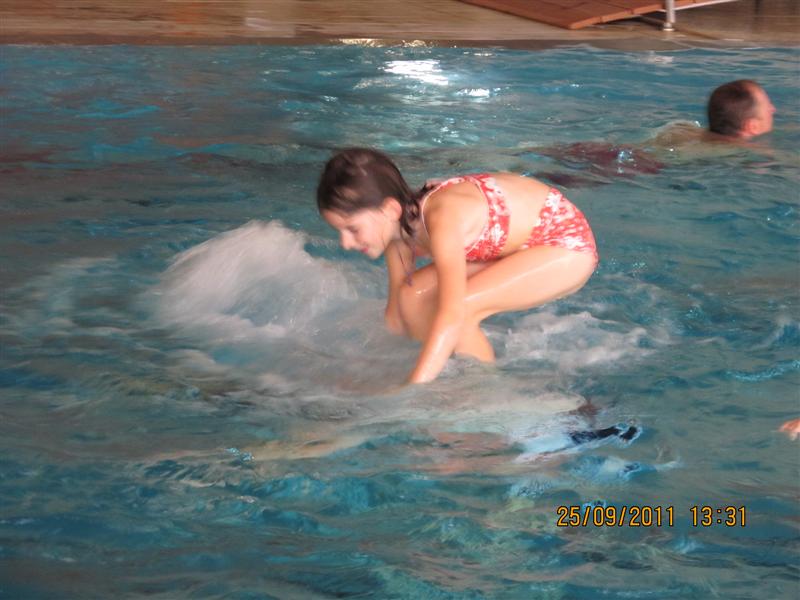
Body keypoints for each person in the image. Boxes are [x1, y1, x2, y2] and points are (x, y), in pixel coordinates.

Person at [317, 147, 598, 384]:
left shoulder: (442, 218)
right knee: (411, 296)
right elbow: (396, 317)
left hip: (565, 246)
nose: (345, 243)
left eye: (352, 229)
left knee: (462, 308)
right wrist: (370, 368)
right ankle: (456, 365)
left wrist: (411, 389)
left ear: (390, 209)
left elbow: (452, 313)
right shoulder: (396, 232)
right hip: (516, 243)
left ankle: (483, 390)